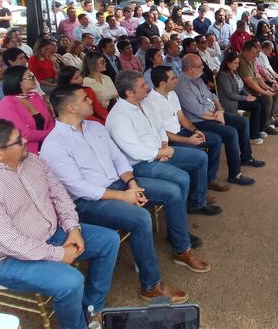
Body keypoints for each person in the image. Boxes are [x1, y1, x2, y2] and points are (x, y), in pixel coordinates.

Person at [40, 85, 201, 303]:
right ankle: (151, 285)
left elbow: (118, 158)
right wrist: (124, 196)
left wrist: (131, 184)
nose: (91, 101)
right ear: (71, 108)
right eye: (85, 99)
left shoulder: (95, 128)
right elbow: (78, 187)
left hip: (120, 183)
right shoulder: (54, 144)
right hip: (88, 202)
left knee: (172, 191)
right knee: (140, 218)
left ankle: (182, 249)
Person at [0, 119, 119, 329]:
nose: (25, 140)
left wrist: (73, 228)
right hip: (6, 259)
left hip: (52, 234)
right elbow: (9, 242)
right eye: (18, 140)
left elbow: (59, 194)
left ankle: (92, 308)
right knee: (70, 282)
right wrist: (58, 254)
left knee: (108, 240)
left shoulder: (33, 161)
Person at [107, 71, 218, 215]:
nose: (148, 86)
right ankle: (178, 225)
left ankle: (196, 203)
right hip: (140, 165)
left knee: (200, 157)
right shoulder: (119, 116)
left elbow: (159, 128)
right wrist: (161, 153)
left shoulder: (145, 103)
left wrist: (164, 145)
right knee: (182, 178)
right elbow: (135, 152)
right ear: (129, 92)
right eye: (143, 85)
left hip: (160, 151)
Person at [176, 54, 263, 186]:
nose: (203, 69)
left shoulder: (197, 78)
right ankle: (235, 174)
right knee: (231, 133)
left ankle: (246, 157)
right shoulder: (182, 85)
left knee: (242, 122)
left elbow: (213, 96)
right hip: (198, 121)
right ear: (190, 69)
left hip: (214, 113)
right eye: (200, 66)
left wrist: (220, 110)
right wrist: (216, 116)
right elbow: (198, 111)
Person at [147, 66, 228, 191]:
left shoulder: (172, 93)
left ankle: (210, 179)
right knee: (199, 154)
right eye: (173, 78)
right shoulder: (151, 102)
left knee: (215, 140)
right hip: (169, 140)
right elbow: (162, 132)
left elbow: (182, 117)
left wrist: (195, 130)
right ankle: (197, 194)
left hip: (182, 132)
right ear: (163, 83)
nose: (177, 80)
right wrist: (188, 140)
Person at [0, 66, 55, 154]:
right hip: (27, 152)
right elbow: (24, 134)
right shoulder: (6, 104)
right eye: (30, 77)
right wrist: (52, 134)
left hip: (49, 144)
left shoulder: (35, 96)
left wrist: (53, 136)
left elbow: (50, 121)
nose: (34, 79)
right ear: (18, 82)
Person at [217, 51, 265, 144]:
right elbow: (229, 94)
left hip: (237, 99)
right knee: (256, 106)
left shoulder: (235, 73)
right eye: (235, 63)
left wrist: (248, 95)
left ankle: (258, 129)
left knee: (259, 101)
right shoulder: (223, 75)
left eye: (238, 63)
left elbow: (241, 88)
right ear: (228, 63)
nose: (237, 65)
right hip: (230, 102)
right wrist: (246, 98)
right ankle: (253, 135)